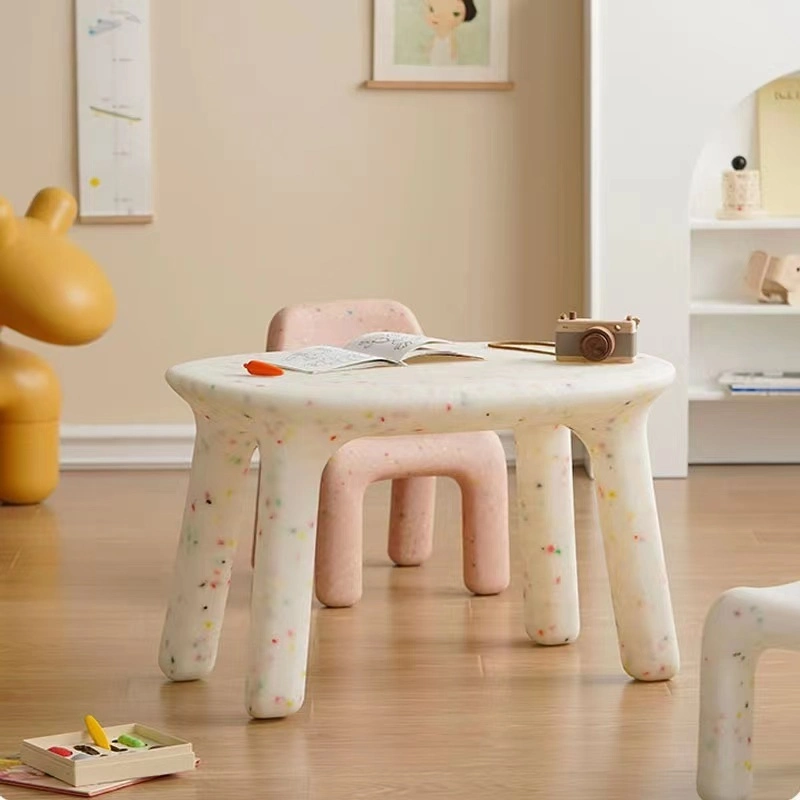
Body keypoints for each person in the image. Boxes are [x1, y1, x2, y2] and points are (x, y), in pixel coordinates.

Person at [423, 0, 478, 66]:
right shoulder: (436, 36)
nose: (436, 16)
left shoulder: (450, 34)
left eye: (455, 14)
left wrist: (453, 51)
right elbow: (433, 41)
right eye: (431, 9)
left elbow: (453, 41)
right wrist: (429, 49)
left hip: (447, 51)